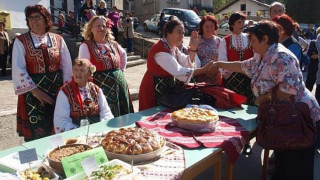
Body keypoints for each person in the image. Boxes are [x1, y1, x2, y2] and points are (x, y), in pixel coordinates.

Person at [209, 20, 320, 180]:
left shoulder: (281, 56)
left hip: (299, 119)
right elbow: (242, 66)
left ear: (265, 39)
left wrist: (265, 98)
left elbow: (290, 88)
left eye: (253, 40)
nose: (251, 44)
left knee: (296, 169)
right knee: (283, 166)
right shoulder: (262, 55)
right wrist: (219, 64)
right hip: (285, 119)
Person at [12, 5, 72, 141]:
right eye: (30, 18)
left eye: (37, 17)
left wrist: (66, 91)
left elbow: (67, 66)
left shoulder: (58, 39)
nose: (33, 21)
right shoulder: (21, 41)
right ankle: (38, 159)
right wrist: (36, 92)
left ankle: (59, 155)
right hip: (33, 92)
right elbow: (18, 68)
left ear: (46, 19)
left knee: (59, 123)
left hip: (58, 89)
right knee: (38, 128)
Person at [139, 20, 218, 111]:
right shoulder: (161, 50)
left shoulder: (172, 47)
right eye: (179, 32)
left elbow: (185, 62)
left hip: (165, 89)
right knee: (151, 115)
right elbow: (179, 71)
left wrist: (193, 49)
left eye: (183, 33)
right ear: (168, 32)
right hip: (153, 88)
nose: (182, 36)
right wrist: (203, 70)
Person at [78, 16, 133, 117]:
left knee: (123, 116)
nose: (101, 28)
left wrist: (120, 71)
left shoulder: (113, 44)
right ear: (91, 28)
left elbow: (124, 54)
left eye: (104, 26)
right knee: (106, 116)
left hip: (119, 87)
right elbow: (83, 69)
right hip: (101, 88)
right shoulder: (86, 46)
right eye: (98, 26)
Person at [54, 58, 113, 133]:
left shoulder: (96, 90)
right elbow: (61, 119)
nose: (77, 73)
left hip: (97, 131)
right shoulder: (65, 92)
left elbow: (106, 112)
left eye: (81, 70)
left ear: (89, 74)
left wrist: (100, 129)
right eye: (75, 69)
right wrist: (80, 132)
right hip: (76, 132)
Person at [217, 12, 255, 105]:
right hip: (232, 80)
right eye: (239, 22)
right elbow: (221, 61)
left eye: (243, 21)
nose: (242, 24)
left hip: (248, 78)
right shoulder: (225, 40)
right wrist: (232, 73)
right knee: (234, 104)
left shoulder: (250, 38)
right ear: (232, 24)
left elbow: (256, 57)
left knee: (249, 104)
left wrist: (250, 72)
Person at [196, 15, 222, 84]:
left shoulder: (219, 41)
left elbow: (222, 58)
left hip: (215, 75)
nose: (209, 29)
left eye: (211, 26)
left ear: (215, 27)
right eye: (206, 26)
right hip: (200, 74)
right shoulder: (197, 39)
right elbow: (190, 57)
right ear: (202, 27)